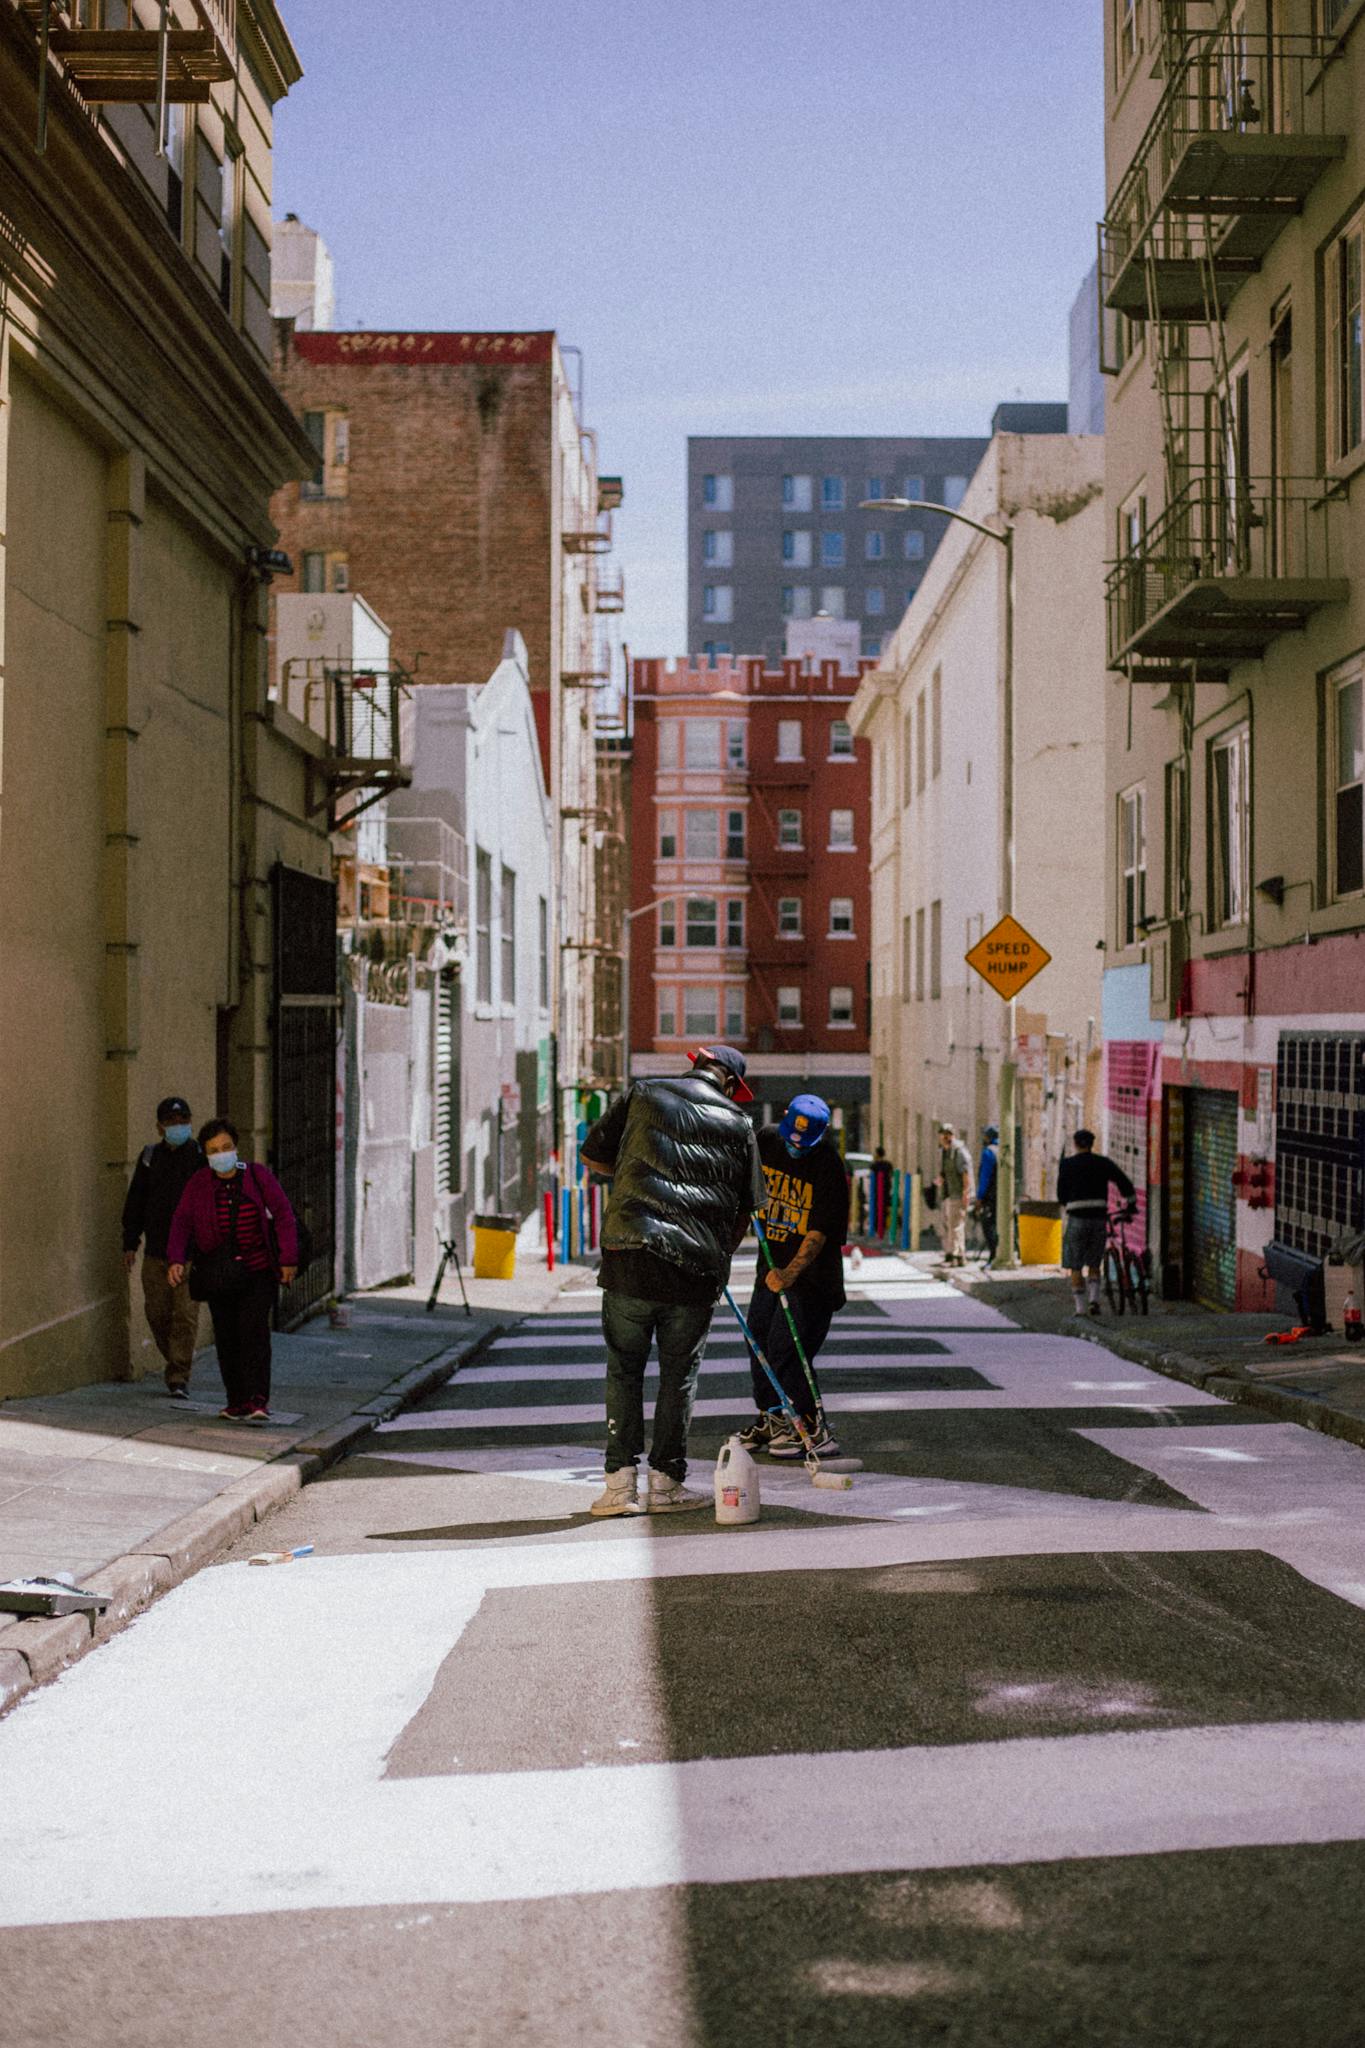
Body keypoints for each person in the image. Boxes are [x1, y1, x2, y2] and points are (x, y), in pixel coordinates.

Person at [580, 1045, 763, 1516]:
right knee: (677, 1379)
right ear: (731, 1084)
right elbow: (748, 1207)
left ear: (694, 1064)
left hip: (630, 1256)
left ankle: (620, 1488)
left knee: (624, 1369)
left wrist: (631, 1175)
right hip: (693, 1271)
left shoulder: (644, 1093)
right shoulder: (740, 1124)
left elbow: (593, 1156)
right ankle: (665, 1483)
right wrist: (719, 1250)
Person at [739, 1094, 849, 1459]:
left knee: (786, 1350)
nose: (795, 1147)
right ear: (784, 1120)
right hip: (769, 1271)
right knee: (757, 1342)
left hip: (813, 1279)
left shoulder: (829, 1167)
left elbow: (818, 1234)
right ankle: (774, 1420)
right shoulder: (766, 1141)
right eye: (791, 1139)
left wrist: (789, 1273)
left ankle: (814, 1427)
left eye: (804, 1143)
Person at [166, 1119, 298, 1422]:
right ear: (206, 1154)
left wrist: (288, 1259)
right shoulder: (199, 1183)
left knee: (253, 1332)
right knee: (226, 1336)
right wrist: (176, 1258)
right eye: (214, 1150)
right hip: (219, 1274)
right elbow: (182, 1221)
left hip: (257, 1271)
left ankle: (258, 1400)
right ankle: (236, 1400)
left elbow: (283, 1214)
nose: (221, 1154)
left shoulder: (257, 1176)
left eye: (226, 1147)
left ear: (236, 1148)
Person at [121, 1095, 204, 1399]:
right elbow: (136, 1202)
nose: (178, 1127)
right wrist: (130, 1242)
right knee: (157, 1312)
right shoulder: (149, 1157)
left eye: (183, 1121)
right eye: (171, 1122)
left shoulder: (200, 1157)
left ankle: (178, 1375)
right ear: (160, 1127)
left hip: (190, 1254)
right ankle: (174, 1359)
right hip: (156, 1251)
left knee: (185, 1313)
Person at [1057, 1128, 1136, 1317]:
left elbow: (1061, 1194)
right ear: (1092, 1144)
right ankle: (1094, 1300)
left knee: (1075, 1265)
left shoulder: (1067, 1165)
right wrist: (1130, 1202)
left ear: (1075, 1144)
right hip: (1098, 1218)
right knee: (1094, 1262)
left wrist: (1070, 1201)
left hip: (1076, 1218)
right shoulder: (1103, 1163)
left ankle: (1080, 1309)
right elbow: (1123, 1181)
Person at [937, 1124, 974, 1265]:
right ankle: (952, 1253)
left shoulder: (959, 1152)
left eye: (949, 1134)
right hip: (948, 1193)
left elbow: (965, 1174)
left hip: (958, 1193)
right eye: (943, 1134)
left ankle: (957, 1255)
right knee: (949, 1225)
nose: (946, 1137)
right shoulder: (945, 1152)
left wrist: (966, 1193)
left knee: (956, 1225)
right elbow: (944, 1171)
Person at [974, 1123, 1000, 1264]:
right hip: (1004, 1197)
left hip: (991, 1196)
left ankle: (994, 1255)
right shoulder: (1005, 1149)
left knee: (988, 1225)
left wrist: (979, 1197)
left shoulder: (989, 1152)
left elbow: (985, 1176)